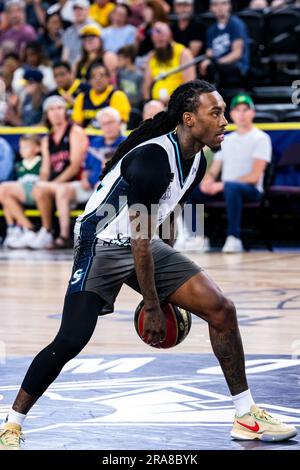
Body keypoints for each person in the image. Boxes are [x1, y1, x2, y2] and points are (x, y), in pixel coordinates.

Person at [0, 80, 296, 449]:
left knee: (221, 309)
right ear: (189, 119)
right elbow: (138, 241)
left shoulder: (199, 160)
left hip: (142, 240)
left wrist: (168, 280)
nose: (224, 121)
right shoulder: (153, 158)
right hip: (101, 241)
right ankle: (11, 423)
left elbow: (166, 221)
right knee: (72, 338)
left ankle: (246, 415)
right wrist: (155, 303)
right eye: (215, 113)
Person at [183, 94, 272, 253]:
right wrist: (208, 181)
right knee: (190, 190)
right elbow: (215, 168)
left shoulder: (261, 138)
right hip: (226, 188)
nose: (242, 114)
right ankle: (196, 237)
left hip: (250, 190)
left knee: (232, 187)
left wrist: (222, 184)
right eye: (238, 110)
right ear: (231, 115)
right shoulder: (226, 139)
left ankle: (234, 237)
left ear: (253, 113)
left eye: (245, 110)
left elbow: (254, 176)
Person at [53, 107, 126, 248]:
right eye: (104, 123)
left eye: (111, 122)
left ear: (119, 123)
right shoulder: (95, 143)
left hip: (113, 188)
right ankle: (64, 235)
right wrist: (85, 178)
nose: (108, 127)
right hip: (91, 186)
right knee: (63, 190)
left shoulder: (127, 143)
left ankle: (101, 238)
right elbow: (86, 168)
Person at [26, 96, 88, 249]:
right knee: (36, 187)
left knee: (56, 189)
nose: (56, 112)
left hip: (76, 183)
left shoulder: (75, 131)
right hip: (56, 185)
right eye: (52, 109)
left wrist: (50, 185)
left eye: (59, 108)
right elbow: (45, 169)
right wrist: (42, 183)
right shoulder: (47, 140)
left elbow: (75, 166)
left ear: (66, 111)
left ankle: (63, 236)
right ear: (46, 114)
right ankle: (39, 231)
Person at [0, 134, 42, 249]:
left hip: (37, 194)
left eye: (26, 147)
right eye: (21, 147)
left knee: (3, 191)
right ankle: (13, 228)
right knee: (6, 197)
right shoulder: (19, 165)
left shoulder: (41, 162)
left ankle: (28, 228)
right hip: (22, 196)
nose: (22, 150)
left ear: (38, 148)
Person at [199, 0, 249, 88]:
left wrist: (216, 63)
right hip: (217, 67)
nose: (220, 7)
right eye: (215, 4)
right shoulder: (211, 30)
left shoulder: (236, 24)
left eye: (224, 3)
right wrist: (207, 61)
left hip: (237, 65)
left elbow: (237, 54)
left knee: (214, 69)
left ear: (230, 6)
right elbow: (209, 53)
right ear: (211, 8)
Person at [143, 22, 196, 103]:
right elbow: (146, 85)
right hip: (156, 103)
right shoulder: (152, 56)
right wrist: (147, 101)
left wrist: (173, 102)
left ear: (169, 36)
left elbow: (189, 85)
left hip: (178, 103)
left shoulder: (183, 53)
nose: (159, 45)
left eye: (161, 41)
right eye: (156, 42)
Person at [72, 63, 131, 127]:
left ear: (108, 78)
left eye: (102, 75)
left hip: (110, 135)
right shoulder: (82, 97)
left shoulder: (118, 95)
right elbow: (77, 125)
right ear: (89, 81)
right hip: (86, 136)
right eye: (93, 76)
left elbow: (121, 125)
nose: (98, 79)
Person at [62, 0, 96, 65]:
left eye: (81, 9)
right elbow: (65, 55)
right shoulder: (69, 31)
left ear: (87, 10)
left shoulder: (94, 28)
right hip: (71, 67)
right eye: (75, 9)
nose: (78, 12)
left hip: (88, 65)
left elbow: (94, 53)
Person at [117, 44, 144, 109]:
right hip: (123, 105)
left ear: (128, 59)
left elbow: (140, 95)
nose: (118, 62)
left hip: (135, 107)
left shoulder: (139, 75)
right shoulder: (121, 74)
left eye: (120, 59)